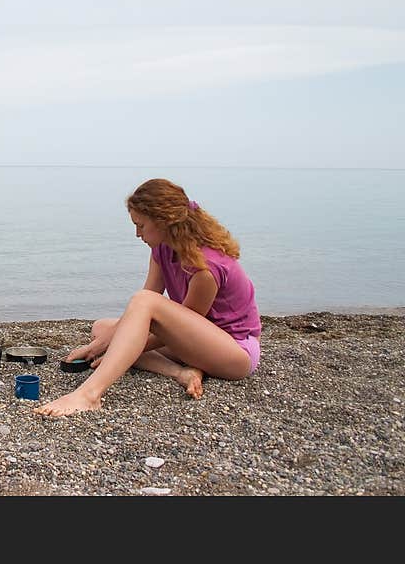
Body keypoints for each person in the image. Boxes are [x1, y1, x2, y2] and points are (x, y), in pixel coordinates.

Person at [34, 178, 261, 417]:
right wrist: (97, 346)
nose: (136, 233)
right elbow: (148, 314)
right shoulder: (162, 248)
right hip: (196, 347)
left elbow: (166, 322)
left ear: (163, 222)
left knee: (134, 317)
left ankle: (89, 395)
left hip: (235, 352)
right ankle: (181, 373)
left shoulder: (206, 267)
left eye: (141, 225)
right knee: (102, 328)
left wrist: (113, 350)